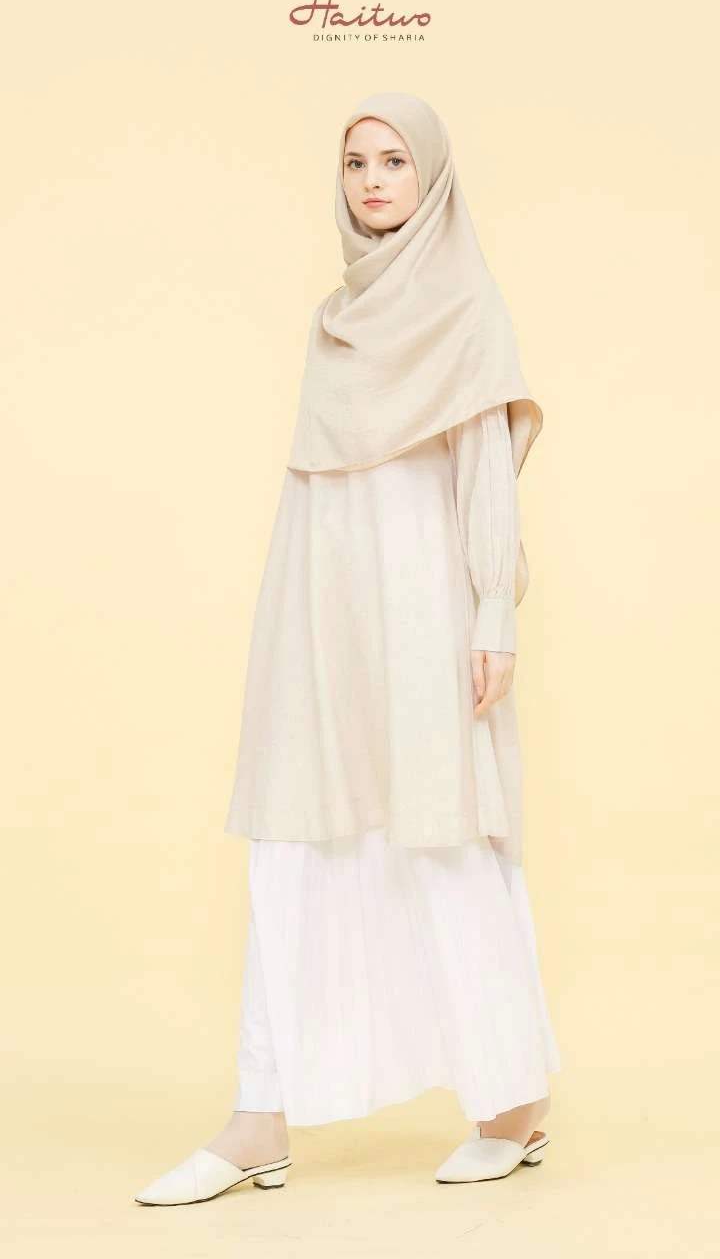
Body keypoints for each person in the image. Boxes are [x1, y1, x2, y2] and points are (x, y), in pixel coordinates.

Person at [134, 91, 562, 1206]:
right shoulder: (336, 317)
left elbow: (485, 473)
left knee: (442, 833)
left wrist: (493, 615)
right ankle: (259, 1117)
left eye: (394, 161)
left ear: (433, 176)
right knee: (294, 836)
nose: (373, 180)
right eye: (356, 162)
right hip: (319, 608)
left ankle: (511, 1102)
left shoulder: (466, 307)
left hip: (423, 609)